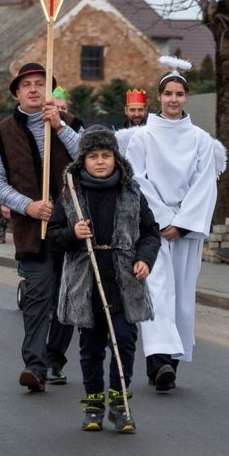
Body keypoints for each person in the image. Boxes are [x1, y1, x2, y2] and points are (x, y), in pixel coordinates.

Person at [47, 126, 160, 433]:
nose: (100, 162)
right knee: (92, 348)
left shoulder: (130, 191)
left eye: (106, 155)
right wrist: (73, 234)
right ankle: (94, 405)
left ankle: (120, 404)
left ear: (115, 158)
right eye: (93, 156)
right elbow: (53, 237)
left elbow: (150, 232)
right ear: (83, 160)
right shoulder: (71, 194)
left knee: (124, 341)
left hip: (123, 281)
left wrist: (144, 259)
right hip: (87, 283)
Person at [123, 57, 225, 392]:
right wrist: (163, 220)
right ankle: (159, 361)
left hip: (185, 230)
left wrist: (181, 224)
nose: (173, 99)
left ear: (186, 97)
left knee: (181, 297)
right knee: (158, 292)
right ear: (159, 97)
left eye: (179, 93)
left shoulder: (200, 140)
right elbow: (137, 179)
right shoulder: (143, 137)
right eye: (168, 93)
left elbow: (204, 184)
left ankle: (170, 365)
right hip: (153, 229)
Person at [0, 62, 81, 392]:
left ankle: (55, 359)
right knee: (38, 296)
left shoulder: (69, 124)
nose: (34, 89)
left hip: (71, 227)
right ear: (17, 92)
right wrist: (28, 205)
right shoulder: (3, 131)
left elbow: (95, 161)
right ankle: (35, 366)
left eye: (41, 84)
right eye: (27, 85)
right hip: (32, 229)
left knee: (66, 298)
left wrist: (62, 129)